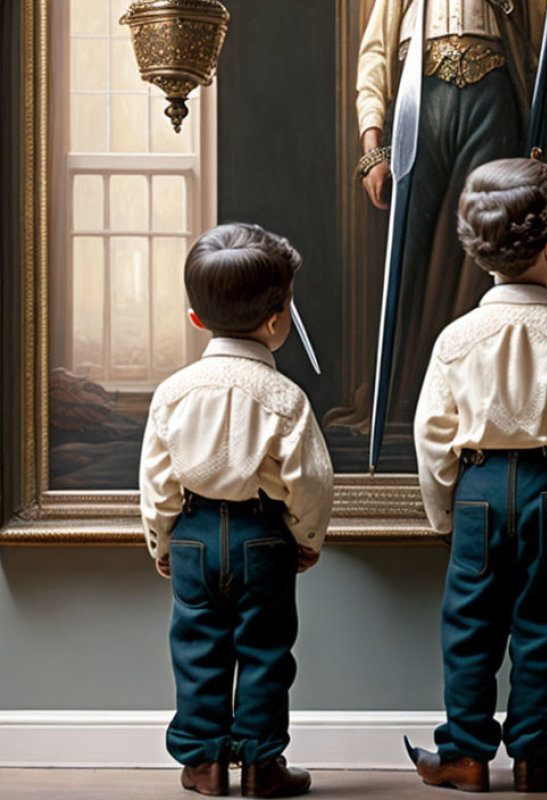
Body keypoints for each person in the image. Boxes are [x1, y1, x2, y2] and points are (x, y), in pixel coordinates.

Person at [407, 158, 547, 792]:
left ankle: (465, 755)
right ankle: (535, 755)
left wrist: (443, 511)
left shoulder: (455, 339)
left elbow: (432, 435)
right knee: (541, 628)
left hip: (475, 491)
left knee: (468, 627)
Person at [139, 223, 335, 798]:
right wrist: (307, 539)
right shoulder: (284, 398)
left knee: (198, 651)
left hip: (195, 534)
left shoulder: (173, 393)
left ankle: (202, 766)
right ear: (278, 322)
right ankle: (259, 766)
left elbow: (156, 480)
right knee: (266, 652)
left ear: (196, 319)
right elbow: (311, 481)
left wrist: (162, 542)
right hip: (261, 537)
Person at [354, 0, 542, 425]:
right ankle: (404, 394)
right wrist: (372, 146)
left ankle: (476, 395)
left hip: (492, 101)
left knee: (483, 249)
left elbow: (532, 48)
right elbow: (376, 54)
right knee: (412, 251)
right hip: (422, 102)